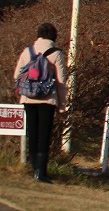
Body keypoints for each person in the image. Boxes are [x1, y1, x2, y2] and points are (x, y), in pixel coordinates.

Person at [14, 21, 67, 183]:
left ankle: (32, 168)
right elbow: (61, 81)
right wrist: (62, 104)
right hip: (47, 99)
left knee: (32, 133)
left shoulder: (27, 51)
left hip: (28, 98)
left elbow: (17, 75)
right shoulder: (56, 53)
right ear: (54, 36)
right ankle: (41, 171)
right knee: (44, 134)